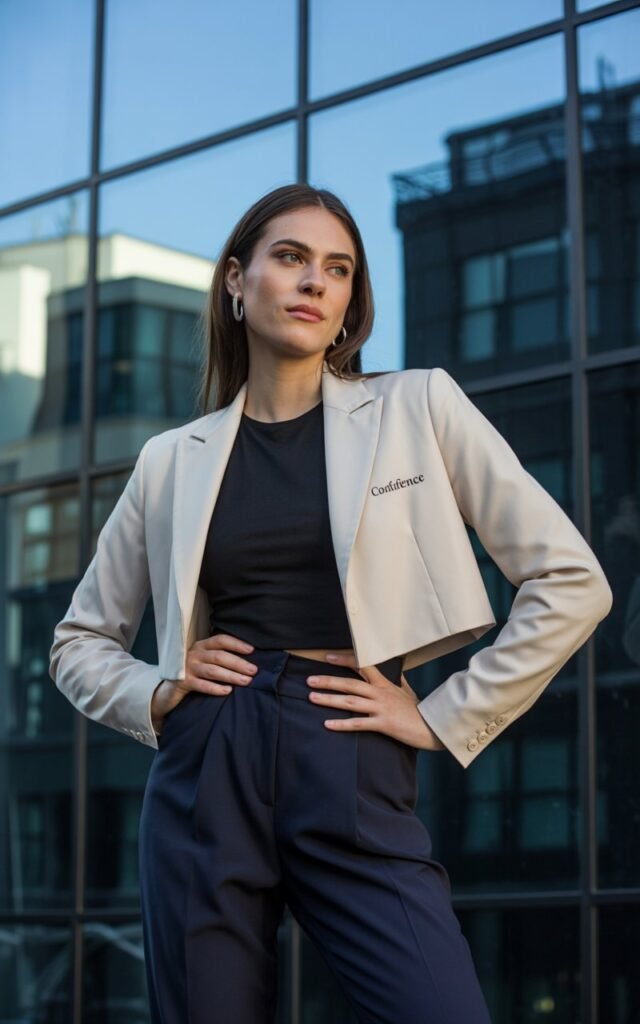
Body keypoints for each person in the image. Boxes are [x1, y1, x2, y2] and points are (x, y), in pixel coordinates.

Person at [49, 183, 613, 1024]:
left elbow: (573, 580)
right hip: (209, 758)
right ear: (236, 283)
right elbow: (77, 640)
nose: (315, 281)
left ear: (351, 301)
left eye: (337, 268)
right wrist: (160, 694)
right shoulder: (170, 460)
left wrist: (445, 714)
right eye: (291, 258)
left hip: (349, 745)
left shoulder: (417, 406)